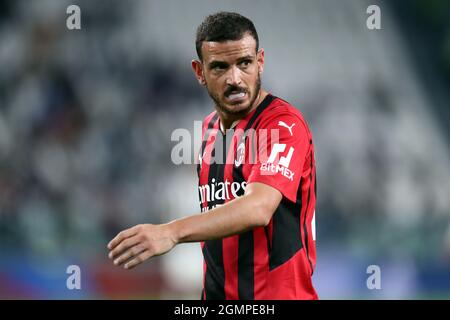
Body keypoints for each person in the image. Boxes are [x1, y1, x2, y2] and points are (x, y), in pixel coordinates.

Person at [108, 11, 318, 300]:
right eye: (220, 67)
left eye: (244, 63)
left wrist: (172, 232)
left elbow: (259, 208)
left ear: (260, 62)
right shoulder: (207, 131)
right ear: (199, 72)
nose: (235, 79)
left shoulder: (283, 125)